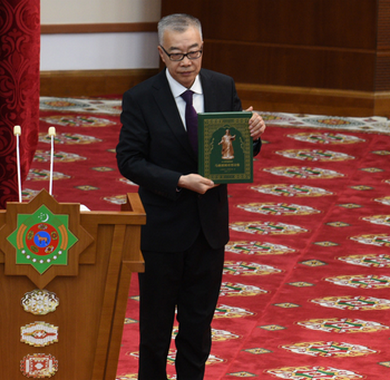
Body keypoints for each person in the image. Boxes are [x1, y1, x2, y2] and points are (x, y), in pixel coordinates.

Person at [115, 13, 266, 380]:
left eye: (194, 53)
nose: (187, 62)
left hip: (209, 230)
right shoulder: (140, 97)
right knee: (155, 330)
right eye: (178, 54)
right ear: (161, 54)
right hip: (162, 231)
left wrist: (254, 135)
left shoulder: (221, 86)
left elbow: (233, 152)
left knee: (198, 329)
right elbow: (129, 160)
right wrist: (179, 180)